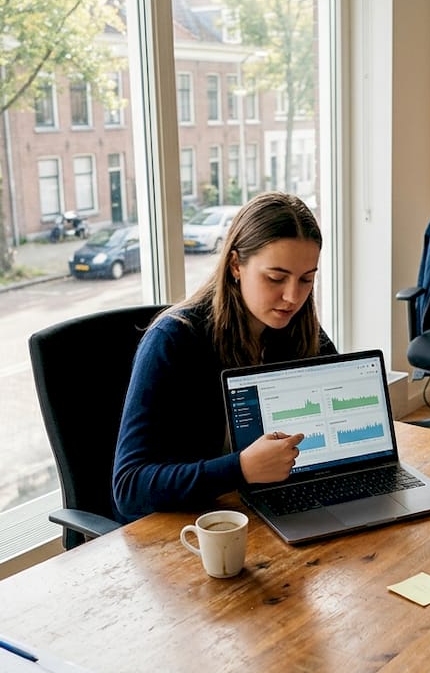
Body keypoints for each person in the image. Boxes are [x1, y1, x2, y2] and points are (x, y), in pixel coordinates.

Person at [112, 192, 336, 522]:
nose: (292, 297)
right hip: (189, 528)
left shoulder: (298, 328)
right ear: (235, 265)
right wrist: (242, 468)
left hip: (261, 509)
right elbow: (129, 489)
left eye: (306, 279)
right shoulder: (172, 341)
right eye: (275, 277)